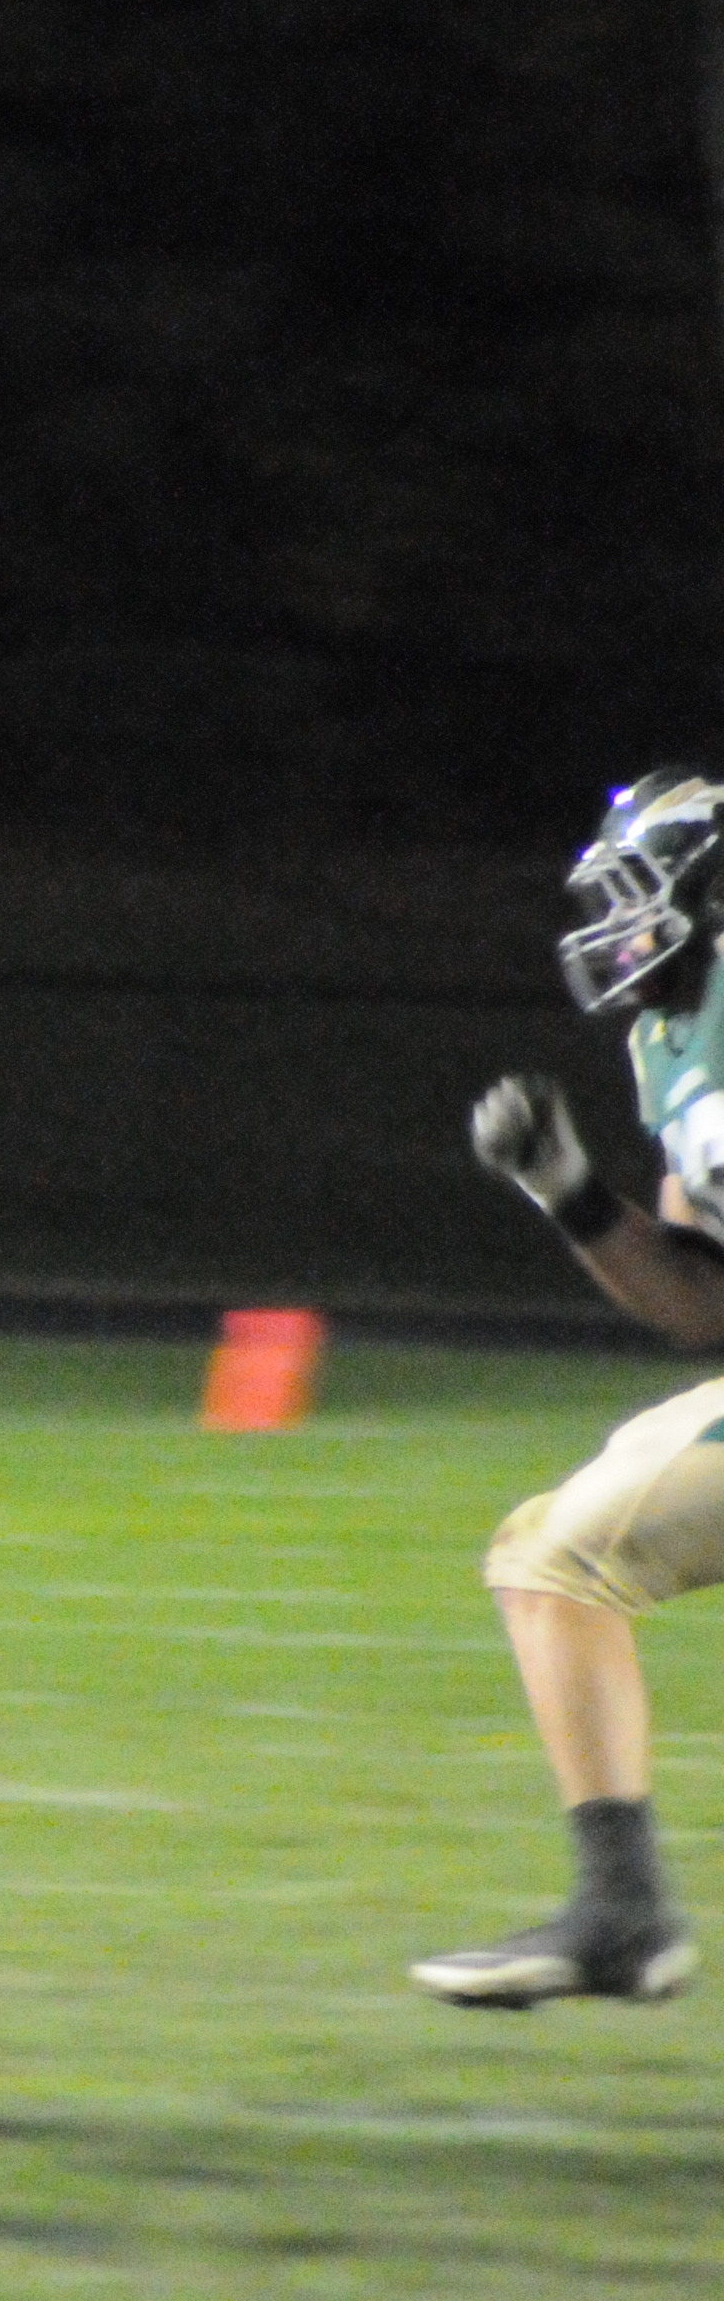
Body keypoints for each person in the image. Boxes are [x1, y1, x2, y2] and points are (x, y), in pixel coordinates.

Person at [428, 768, 724, 2007]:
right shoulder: (672, 1035)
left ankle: (621, 1917)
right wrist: (568, 1192)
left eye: (638, 891)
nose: (616, 925)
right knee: (546, 1554)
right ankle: (619, 1913)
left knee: (560, 1557)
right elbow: (703, 1304)